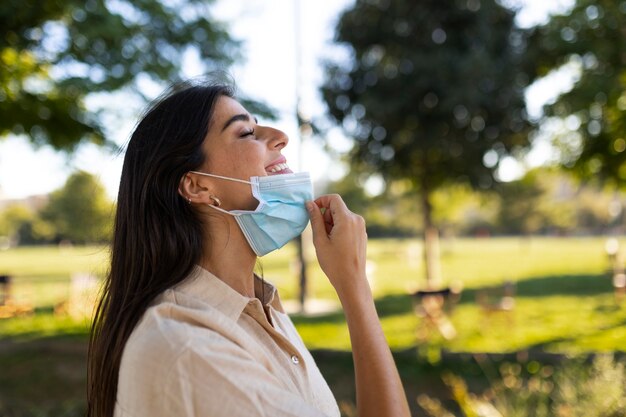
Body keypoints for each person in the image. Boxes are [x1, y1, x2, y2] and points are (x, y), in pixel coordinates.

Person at [87, 79, 411, 417]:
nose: (280, 137)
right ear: (196, 185)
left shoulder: (264, 312)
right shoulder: (190, 349)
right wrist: (354, 286)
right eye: (245, 133)